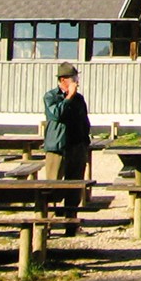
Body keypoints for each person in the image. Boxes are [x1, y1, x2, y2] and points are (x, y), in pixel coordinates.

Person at [41, 61, 90, 234]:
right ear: (63, 80)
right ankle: (46, 225)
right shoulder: (51, 96)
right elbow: (57, 115)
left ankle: (71, 224)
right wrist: (68, 97)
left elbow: (84, 120)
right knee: (52, 187)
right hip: (57, 148)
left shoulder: (79, 99)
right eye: (74, 78)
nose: (77, 81)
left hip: (77, 146)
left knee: (74, 187)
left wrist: (85, 142)